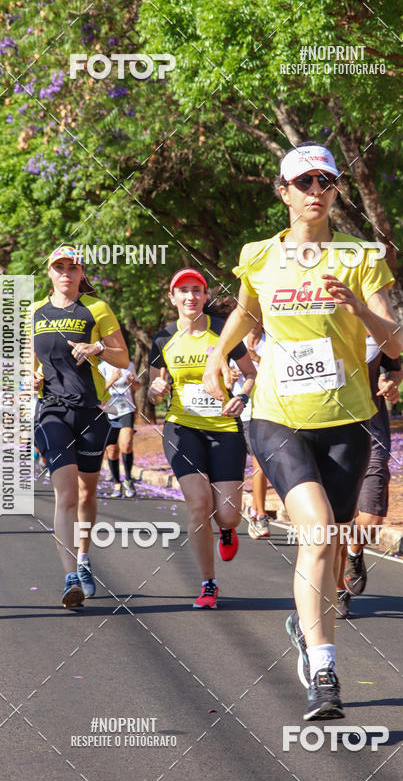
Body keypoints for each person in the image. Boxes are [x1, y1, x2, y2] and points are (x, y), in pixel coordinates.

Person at [203, 141, 402, 719]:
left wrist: (359, 309)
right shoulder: (259, 255)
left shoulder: (361, 258)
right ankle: (324, 673)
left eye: (326, 183)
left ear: (336, 191)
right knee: (316, 533)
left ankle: (304, 625)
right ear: (283, 192)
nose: (316, 192)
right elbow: (246, 311)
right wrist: (219, 356)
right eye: (305, 182)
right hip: (277, 416)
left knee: (332, 545)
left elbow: (391, 343)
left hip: (348, 421)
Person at [148, 268, 256, 609]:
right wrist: (155, 390)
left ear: (205, 296)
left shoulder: (223, 333)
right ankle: (208, 584)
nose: (190, 297)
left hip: (224, 427)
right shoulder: (163, 338)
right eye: (183, 291)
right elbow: (153, 392)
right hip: (182, 428)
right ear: (172, 297)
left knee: (228, 514)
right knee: (199, 504)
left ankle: (226, 530)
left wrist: (243, 396)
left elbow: (251, 374)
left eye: (197, 290)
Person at [31, 245, 129, 609]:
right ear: (50, 272)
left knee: (88, 494)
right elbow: (32, 364)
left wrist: (97, 349)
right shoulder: (35, 311)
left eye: (72, 268)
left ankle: (84, 558)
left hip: (91, 412)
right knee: (67, 494)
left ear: (81, 272)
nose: (66, 274)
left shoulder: (97, 309)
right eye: (59, 267)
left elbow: (123, 356)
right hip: (52, 411)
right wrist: (34, 380)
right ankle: (70, 575)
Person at [336, 333, 403, 618]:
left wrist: (390, 382)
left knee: (372, 522)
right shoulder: (313, 319)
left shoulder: (377, 326)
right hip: (329, 432)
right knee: (335, 520)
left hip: (371, 430)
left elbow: (396, 369)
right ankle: (338, 588)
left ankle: (355, 549)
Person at [232, 321, 271, 538]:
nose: (255, 321)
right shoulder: (233, 343)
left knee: (260, 464)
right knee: (235, 469)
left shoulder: (271, 343)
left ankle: (259, 514)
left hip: (264, 412)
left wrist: (257, 360)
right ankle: (245, 510)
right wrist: (227, 376)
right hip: (237, 413)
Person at [99, 356, 140, 498]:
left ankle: (128, 479)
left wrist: (133, 382)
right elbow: (99, 392)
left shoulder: (128, 364)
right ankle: (117, 482)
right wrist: (112, 379)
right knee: (112, 450)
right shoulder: (101, 367)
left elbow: (137, 387)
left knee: (127, 444)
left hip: (126, 410)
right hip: (109, 412)